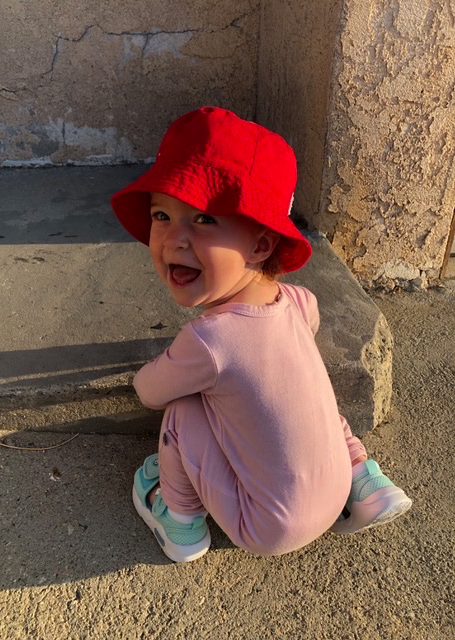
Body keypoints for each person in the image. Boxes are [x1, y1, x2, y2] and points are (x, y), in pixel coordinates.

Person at [111, 106, 412, 563]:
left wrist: (170, 368)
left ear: (261, 244)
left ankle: (179, 521)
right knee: (306, 389)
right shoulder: (293, 302)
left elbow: (148, 392)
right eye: (161, 214)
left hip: (267, 528)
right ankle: (364, 477)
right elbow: (310, 317)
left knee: (182, 410)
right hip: (332, 492)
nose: (174, 238)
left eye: (204, 219)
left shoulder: (209, 341)